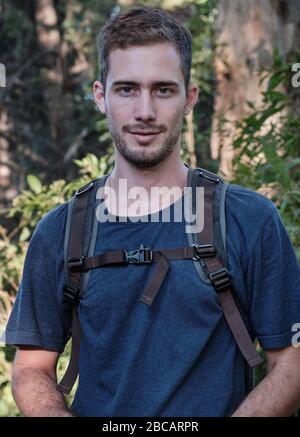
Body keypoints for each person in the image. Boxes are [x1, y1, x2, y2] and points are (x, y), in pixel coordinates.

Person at [4, 6, 300, 417]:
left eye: (163, 89)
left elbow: (290, 365)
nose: (145, 111)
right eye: (126, 89)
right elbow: (32, 367)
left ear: (189, 98)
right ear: (100, 96)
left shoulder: (249, 220)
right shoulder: (61, 231)